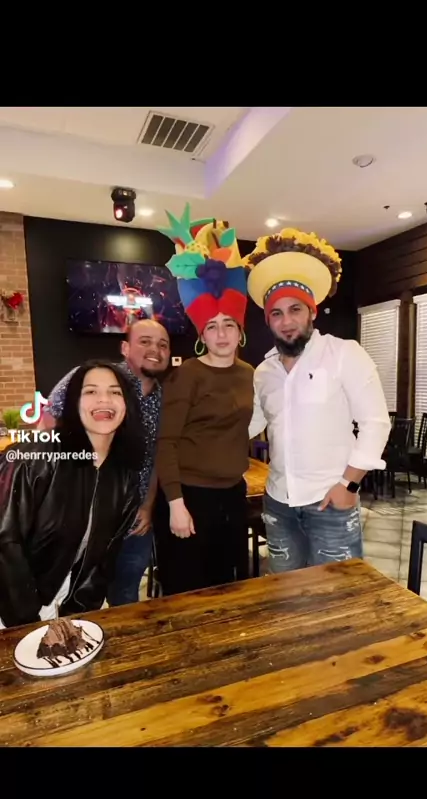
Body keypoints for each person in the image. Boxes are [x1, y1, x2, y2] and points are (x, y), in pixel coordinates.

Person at [246, 227, 391, 572]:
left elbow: (376, 423)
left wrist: (349, 484)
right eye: (276, 313)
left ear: (311, 312)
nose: (286, 321)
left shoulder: (344, 354)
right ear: (268, 321)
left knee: (335, 594)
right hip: (278, 503)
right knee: (285, 590)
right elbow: (249, 424)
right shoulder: (263, 371)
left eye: (295, 309)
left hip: (330, 502)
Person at [155, 203, 254, 595]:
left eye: (229, 324)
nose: (222, 333)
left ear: (240, 329)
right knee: (186, 591)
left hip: (234, 494)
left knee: (227, 588)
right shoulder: (186, 375)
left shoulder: (249, 373)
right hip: (190, 496)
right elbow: (166, 442)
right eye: (212, 326)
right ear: (202, 334)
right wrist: (175, 503)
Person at [0, 360, 144, 629]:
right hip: (11, 606)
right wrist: (27, 623)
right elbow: (5, 542)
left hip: (64, 601)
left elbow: (103, 561)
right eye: (90, 391)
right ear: (73, 402)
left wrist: (79, 614)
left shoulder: (125, 476)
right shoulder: (33, 457)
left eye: (115, 392)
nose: (104, 399)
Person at [39, 318, 171, 606]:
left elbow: (157, 456)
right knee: (73, 594)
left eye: (163, 345)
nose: (155, 350)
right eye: (145, 342)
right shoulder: (92, 379)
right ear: (125, 347)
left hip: (133, 517)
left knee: (125, 592)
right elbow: (47, 424)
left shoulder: (166, 399)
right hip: (81, 513)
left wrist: (147, 506)